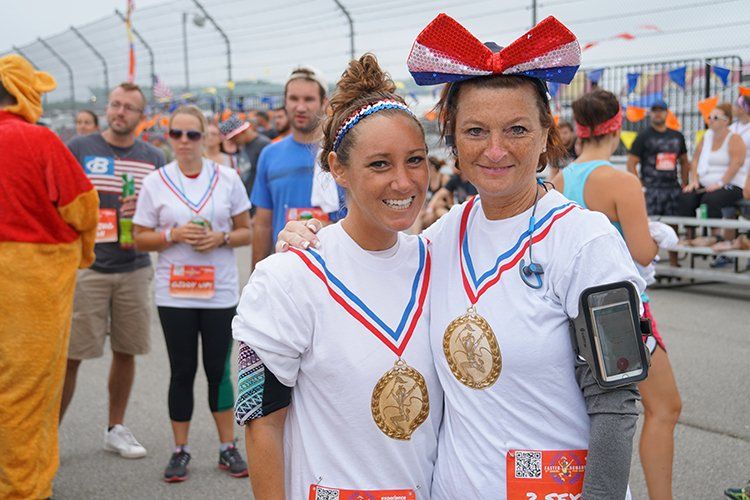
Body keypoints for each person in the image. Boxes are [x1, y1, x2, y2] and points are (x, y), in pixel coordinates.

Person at [278, 15, 646, 499]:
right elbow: (373, 258)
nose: (495, 150)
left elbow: (616, 400)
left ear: (545, 135)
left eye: (515, 129)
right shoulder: (442, 236)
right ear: (451, 138)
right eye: (475, 131)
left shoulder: (586, 242)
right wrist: (312, 238)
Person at [233, 53, 441, 500]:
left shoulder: (440, 261)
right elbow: (260, 423)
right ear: (338, 168)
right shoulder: (286, 277)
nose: (404, 182)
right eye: (380, 164)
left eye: (416, 160)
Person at [552, 88, 682, 500]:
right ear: (618, 126)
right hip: (620, 311)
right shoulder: (620, 182)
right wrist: (660, 237)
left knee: (591, 412)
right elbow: (642, 252)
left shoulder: (557, 180)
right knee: (664, 407)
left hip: (571, 312)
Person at [133, 105, 251, 482]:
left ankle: (227, 447)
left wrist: (222, 238)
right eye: (176, 135)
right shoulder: (157, 181)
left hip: (218, 292)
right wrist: (172, 235)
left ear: (206, 136)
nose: (184, 142)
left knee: (219, 371)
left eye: (192, 134)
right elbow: (138, 238)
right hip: (176, 293)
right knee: (182, 371)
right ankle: (180, 449)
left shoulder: (227, 178)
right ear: (168, 138)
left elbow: (246, 231)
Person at [0, 54, 98, 500]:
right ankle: (23, 489)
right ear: (25, 92)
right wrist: (83, 251)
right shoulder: (39, 141)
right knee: (25, 396)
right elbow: (82, 206)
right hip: (29, 289)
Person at [62, 82, 166, 459]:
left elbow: (163, 212)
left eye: (129, 108)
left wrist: (143, 211)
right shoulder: (79, 147)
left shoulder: (154, 157)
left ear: (141, 117)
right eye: (115, 105)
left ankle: (115, 428)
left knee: (126, 350)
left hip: (135, 267)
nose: (120, 112)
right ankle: (46, 433)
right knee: (71, 354)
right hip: (88, 266)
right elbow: (58, 200)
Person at [250, 65, 344, 270]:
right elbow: (262, 224)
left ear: (324, 102)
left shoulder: (343, 153)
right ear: (285, 102)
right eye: (294, 99)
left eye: (309, 99)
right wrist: (255, 277)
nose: (300, 107)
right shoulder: (270, 154)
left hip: (337, 270)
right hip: (285, 272)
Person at [678, 103, 746, 251]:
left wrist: (721, 182)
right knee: (686, 196)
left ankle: (715, 236)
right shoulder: (706, 137)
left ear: (726, 120)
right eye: (709, 117)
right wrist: (694, 181)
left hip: (731, 184)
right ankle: (690, 235)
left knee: (711, 199)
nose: (711, 120)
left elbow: (737, 163)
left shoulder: (734, 139)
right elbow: (694, 160)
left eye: (715, 117)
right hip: (706, 183)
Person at [627, 99, 691, 217]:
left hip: (673, 188)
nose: (657, 114)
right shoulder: (643, 136)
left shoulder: (677, 136)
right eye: (654, 111)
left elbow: (684, 161)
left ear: (667, 113)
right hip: (651, 189)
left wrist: (685, 183)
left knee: (673, 225)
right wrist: (640, 186)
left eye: (661, 110)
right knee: (652, 226)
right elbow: (631, 163)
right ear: (650, 113)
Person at [219, 114, 271, 197]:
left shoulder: (264, 145)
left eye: (234, 138)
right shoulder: (243, 146)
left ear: (242, 132)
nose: (233, 142)